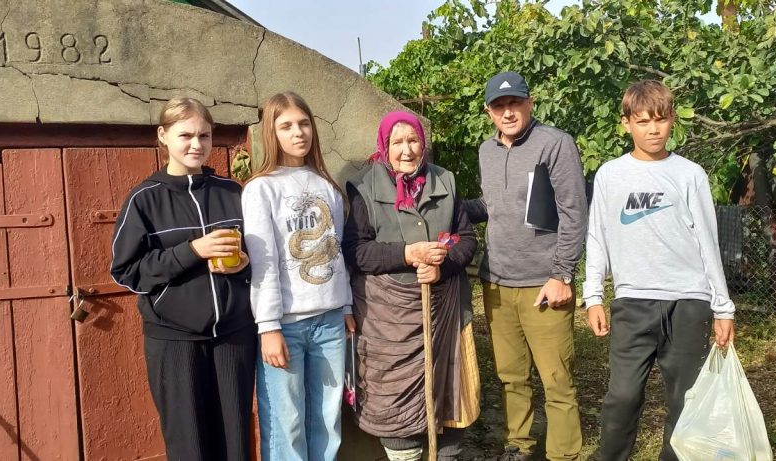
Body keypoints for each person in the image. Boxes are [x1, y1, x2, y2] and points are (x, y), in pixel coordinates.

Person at [582, 80, 736, 461]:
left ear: (672, 122)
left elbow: (707, 242)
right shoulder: (609, 175)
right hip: (633, 302)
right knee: (622, 396)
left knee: (684, 399)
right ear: (626, 124)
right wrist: (592, 296)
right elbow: (596, 237)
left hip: (688, 301)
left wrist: (723, 306)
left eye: (661, 120)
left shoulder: (690, 175)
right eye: (643, 121)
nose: (653, 129)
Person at [110, 97, 255, 460]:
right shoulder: (144, 200)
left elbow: (261, 259)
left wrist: (244, 265)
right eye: (186, 135)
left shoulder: (232, 192)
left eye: (204, 135)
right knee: (190, 445)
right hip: (175, 341)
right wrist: (193, 251)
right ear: (163, 136)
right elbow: (127, 271)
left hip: (234, 336)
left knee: (235, 442)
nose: (196, 144)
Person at [342, 111, 479, 461]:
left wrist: (443, 267)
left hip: (442, 313)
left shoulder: (444, 181)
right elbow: (356, 251)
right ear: (384, 147)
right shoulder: (362, 186)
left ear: (424, 143)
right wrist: (407, 254)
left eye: (413, 140)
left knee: (448, 396)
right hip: (388, 321)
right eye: (397, 142)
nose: (406, 150)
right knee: (395, 405)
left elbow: (466, 238)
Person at [464, 71, 587, 460]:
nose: (508, 112)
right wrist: (449, 206)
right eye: (499, 106)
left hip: (544, 284)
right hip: (497, 282)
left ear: (529, 103)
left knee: (556, 379)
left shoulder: (555, 144)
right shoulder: (486, 151)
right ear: (489, 112)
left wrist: (562, 274)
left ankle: (563, 453)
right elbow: (493, 206)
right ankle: (519, 445)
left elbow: (573, 213)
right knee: (511, 376)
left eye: (515, 102)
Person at [241, 91, 354, 461]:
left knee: (327, 420)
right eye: (286, 125)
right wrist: (268, 326)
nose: (298, 133)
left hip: (331, 321)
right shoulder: (262, 188)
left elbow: (336, 252)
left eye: (304, 123)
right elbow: (264, 262)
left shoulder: (328, 187)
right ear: (270, 133)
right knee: (286, 425)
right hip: (286, 325)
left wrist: (347, 303)